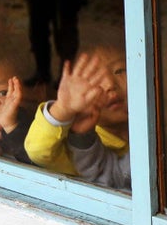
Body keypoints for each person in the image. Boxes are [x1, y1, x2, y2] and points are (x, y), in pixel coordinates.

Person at [24, 40, 129, 177]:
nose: (109, 84)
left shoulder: (150, 122)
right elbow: (38, 151)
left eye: (120, 70)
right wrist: (62, 109)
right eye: (94, 78)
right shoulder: (75, 143)